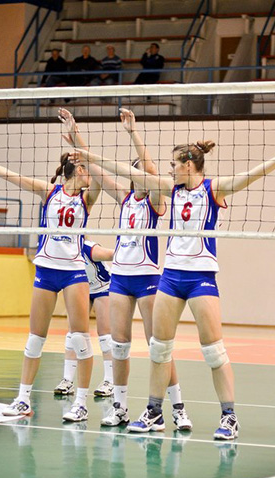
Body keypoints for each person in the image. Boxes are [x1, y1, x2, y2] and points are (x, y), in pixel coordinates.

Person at [80, 134, 275, 440]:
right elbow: (125, 171)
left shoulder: (214, 189)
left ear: (189, 165)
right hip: (171, 276)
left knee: (214, 352)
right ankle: (154, 411)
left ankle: (229, 417)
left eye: (174, 164)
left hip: (201, 276)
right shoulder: (170, 190)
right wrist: (88, 154)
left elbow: (253, 174)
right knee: (159, 349)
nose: (170, 169)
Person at [0, 109, 103, 422]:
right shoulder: (49, 192)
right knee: (35, 339)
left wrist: (77, 135)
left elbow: (98, 168)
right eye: (83, 168)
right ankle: (23, 399)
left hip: (74, 272)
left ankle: (81, 403)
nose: (88, 173)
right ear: (75, 171)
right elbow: (8, 175)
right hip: (46, 270)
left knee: (80, 339)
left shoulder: (87, 198)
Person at [85, 108, 192, 431]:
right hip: (120, 278)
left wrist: (133, 132)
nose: (145, 176)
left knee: (158, 346)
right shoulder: (125, 198)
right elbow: (96, 168)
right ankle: (119, 408)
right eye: (139, 173)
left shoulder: (156, 200)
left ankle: (178, 409)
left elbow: (151, 168)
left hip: (147, 278)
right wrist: (77, 140)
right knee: (119, 346)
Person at [53, 239, 115, 398]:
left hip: (103, 287)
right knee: (74, 334)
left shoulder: (88, 248)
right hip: (80, 288)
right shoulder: (62, 252)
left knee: (105, 335)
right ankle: (67, 380)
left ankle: (110, 381)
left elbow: (113, 254)